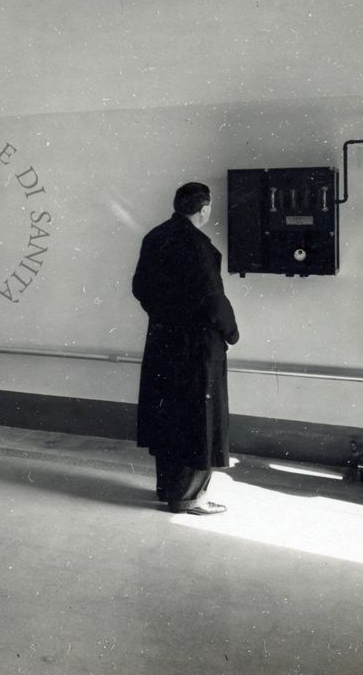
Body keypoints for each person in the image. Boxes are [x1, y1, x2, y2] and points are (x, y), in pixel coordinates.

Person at [132, 182, 239, 515]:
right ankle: (189, 497)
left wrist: (165, 315)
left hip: (163, 340)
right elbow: (212, 300)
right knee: (198, 421)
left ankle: (168, 489)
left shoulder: (154, 237)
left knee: (168, 417)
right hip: (196, 348)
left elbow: (139, 288)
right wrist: (231, 333)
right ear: (204, 209)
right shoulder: (198, 246)